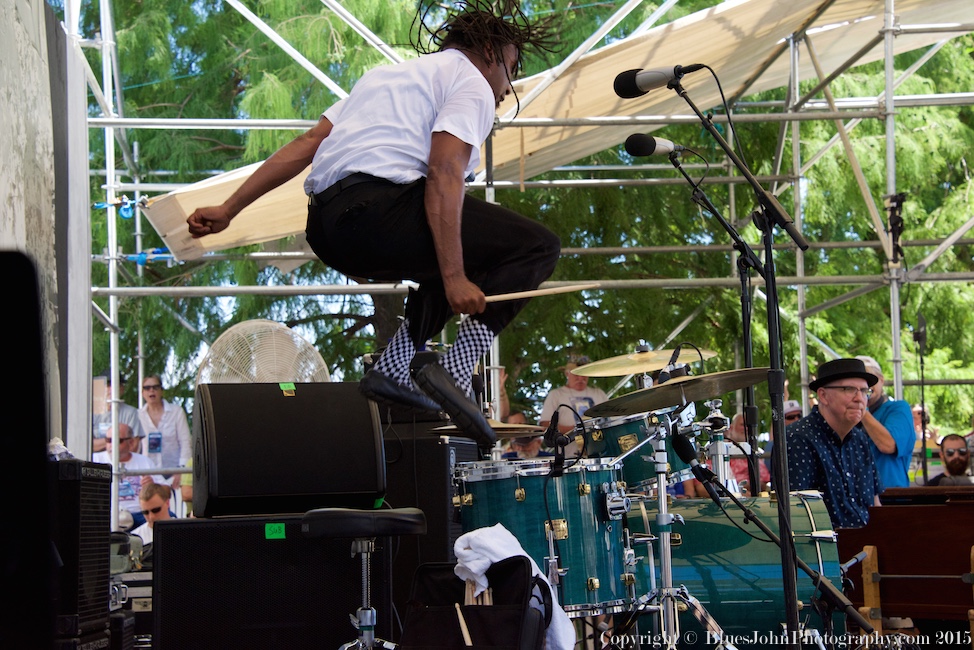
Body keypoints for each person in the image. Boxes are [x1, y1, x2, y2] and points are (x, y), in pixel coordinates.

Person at [186, 1, 560, 452]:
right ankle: (459, 368)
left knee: (450, 253)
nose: (508, 86)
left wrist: (230, 208)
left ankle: (394, 364)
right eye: (512, 68)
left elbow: (308, 143)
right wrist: (457, 278)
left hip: (327, 228)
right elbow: (445, 172)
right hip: (377, 210)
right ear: (487, 52)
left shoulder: (383, 78)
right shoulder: (471, 82)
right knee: (537, 246)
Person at [786, 358, 882, 529]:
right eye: (849, 389)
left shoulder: (860, 440)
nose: (859, 398)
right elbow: (796, 514)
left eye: (864, 391)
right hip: (826, 550)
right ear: (823, 396)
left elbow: (875, 504)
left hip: (867, 544)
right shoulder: (798, 439)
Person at [854, 356, 915, 490]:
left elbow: (888, 445)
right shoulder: (848, 414)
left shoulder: (898, 409)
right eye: (858, 382)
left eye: (870, 379)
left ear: (881, 380)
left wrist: (861, 408)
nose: (865, 386)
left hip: (891, 498)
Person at [93, 423, 167, 530]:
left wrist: (154, 487)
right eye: (108, 440)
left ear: (131, 442)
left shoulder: (144, 461)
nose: (112, 445)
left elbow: (167, 491)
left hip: (141, 514)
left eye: (118, 441)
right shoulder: (95, 459)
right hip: (106, 515)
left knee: (169, 518)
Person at [137, 374, 192, 489]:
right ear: (142, 392)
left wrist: (182, 470)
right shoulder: (138, 415)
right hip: (148, 472)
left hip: (174, 471)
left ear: (161, 390)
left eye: (155, 387)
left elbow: (186, 442)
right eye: (147, 388)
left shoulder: (176, 412)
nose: (151, 390)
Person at [538, 356, 608, 436]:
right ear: (567, 374)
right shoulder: (556, 395)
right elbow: (545, 424)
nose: (580, 378)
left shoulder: (599, 393)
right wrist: (576, 431)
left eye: (583, 373)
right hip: (569, 446)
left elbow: (613, 419)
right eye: (576, 374)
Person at [92, 371, 144, 454]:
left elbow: (133, 445)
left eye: (115, 385)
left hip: (123, 463)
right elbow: (88, 445)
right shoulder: (90, 413)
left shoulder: (131, 413)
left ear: (122, 389)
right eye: (108, 385)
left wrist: (103, 442)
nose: (111, 389)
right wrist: (119, 440)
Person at [724, 413, 770, 496]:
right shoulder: (721, 450)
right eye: (742, 425)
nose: (746, 428)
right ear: (731, 427)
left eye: (749, 425)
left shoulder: (757, 451)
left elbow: (764, 481)